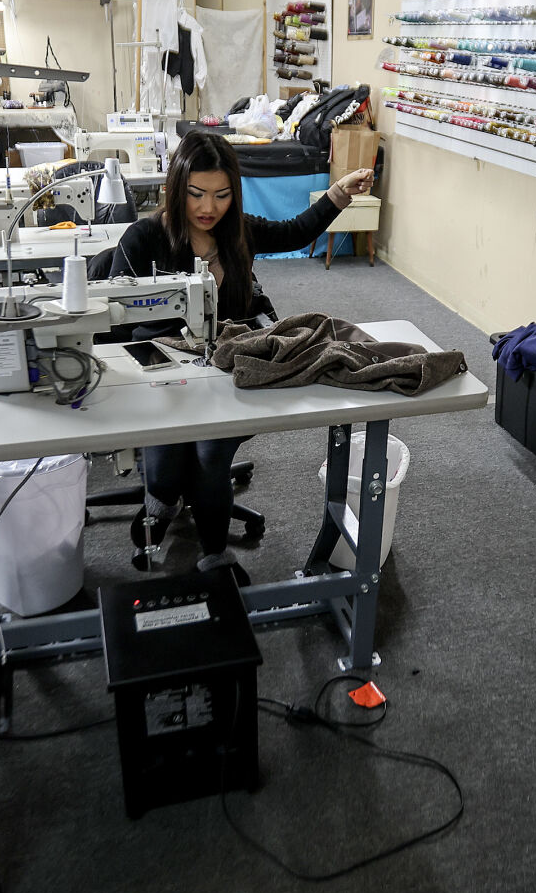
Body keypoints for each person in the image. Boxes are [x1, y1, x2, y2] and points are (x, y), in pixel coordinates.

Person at [109, 131, 373, 582]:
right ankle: (164, 499)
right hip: (160, 374)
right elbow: (113, 326)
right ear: (176, 187)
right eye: (195, 194)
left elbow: (295, 231)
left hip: (227, 373)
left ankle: (213, 552)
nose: (208, 207)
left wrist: (338, 194)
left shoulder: (237, 235)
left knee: (211, 451)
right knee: (168, 451)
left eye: (221, 195)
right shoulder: (143, 240)